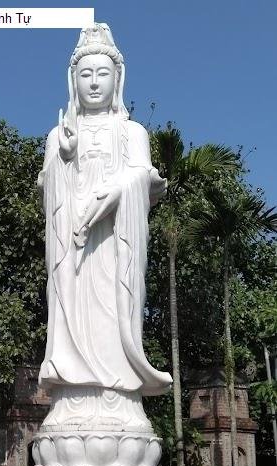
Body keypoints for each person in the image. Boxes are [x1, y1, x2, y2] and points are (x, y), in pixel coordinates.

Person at [38, 24, 171, 427]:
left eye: (102, 73)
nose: (94, 83)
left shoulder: (132, 133)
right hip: (73, 253)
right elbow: (48, 192)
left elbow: (146, 178)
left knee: (113, 314)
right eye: (86, 74)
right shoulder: (59, 135)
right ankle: (72, 390)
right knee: (72, 309)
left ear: (118, 78)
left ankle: (119, 394)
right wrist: (64, 159)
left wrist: (120, 189)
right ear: (73, 81)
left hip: (115, 249)